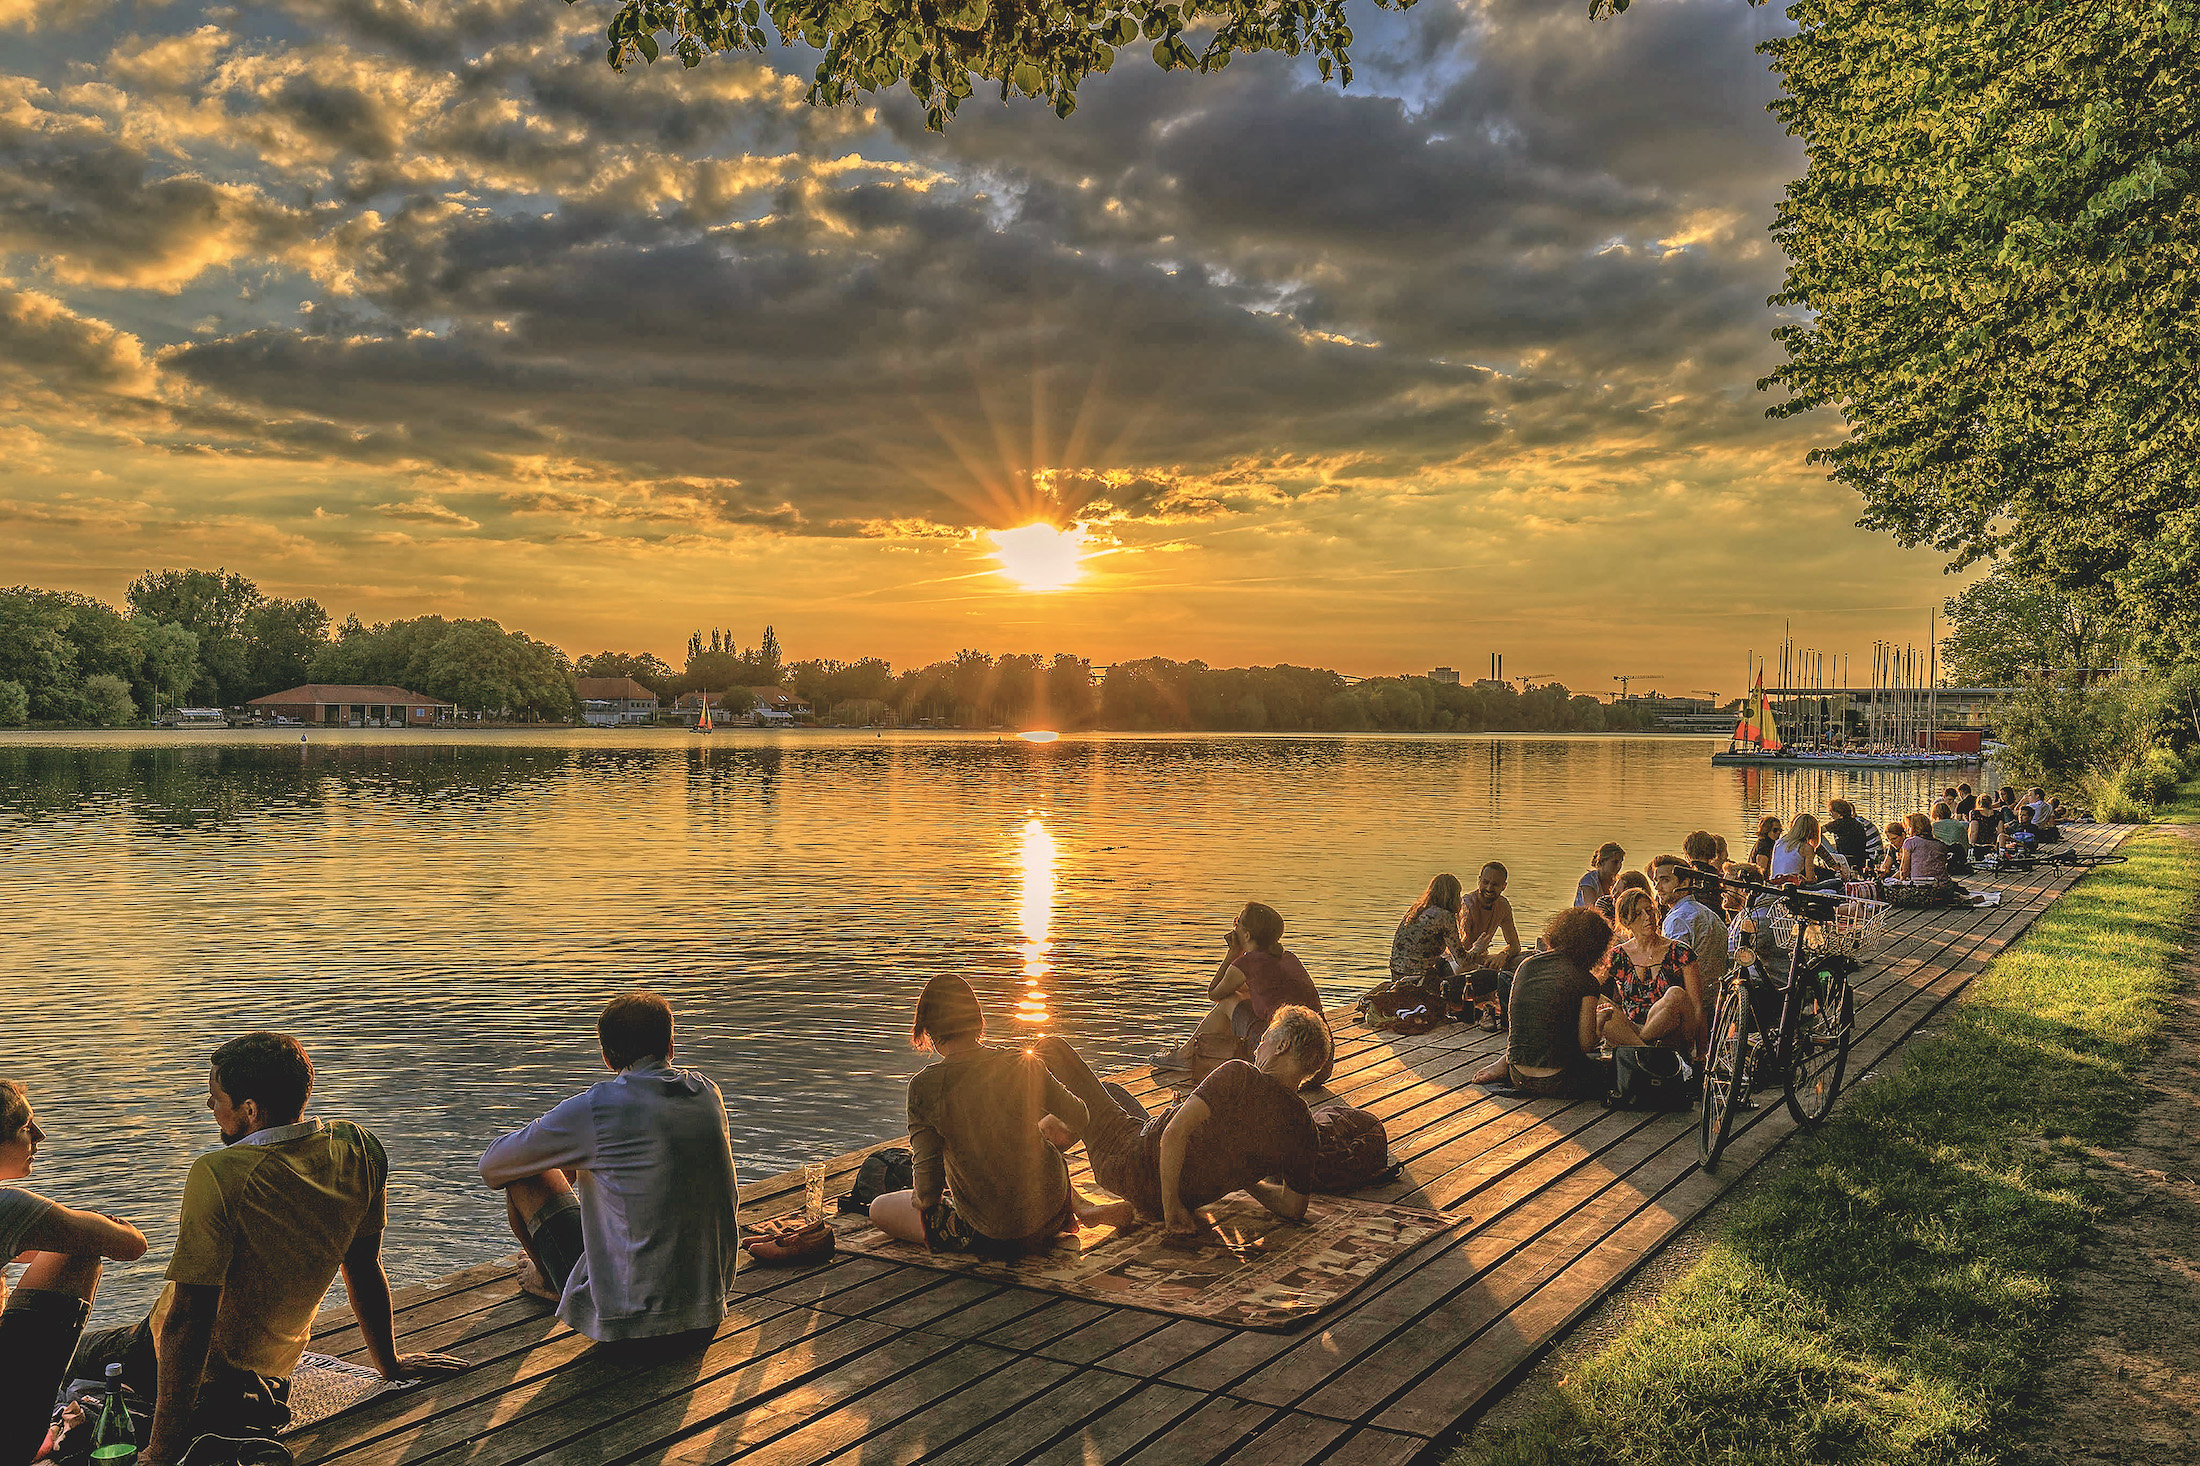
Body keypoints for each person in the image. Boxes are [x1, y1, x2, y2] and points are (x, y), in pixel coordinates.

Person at [69, 1033, 460, 1466]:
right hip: (267, 1374)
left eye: (216, 1098)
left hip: (189, 1364)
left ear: (250, 1110)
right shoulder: (358, 1147)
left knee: (66, 1361)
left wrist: (160, 1450)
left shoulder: (220, 1174)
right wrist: (389, 1363)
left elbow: (188, 1318)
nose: (209, 1107)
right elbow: (365, 1263)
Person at [479, 993, 741, 1347]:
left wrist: (571, 1158)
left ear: (606, 1056)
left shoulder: (599, 1106)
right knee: (599, 1162)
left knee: (525, 1174)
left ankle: (546, 1282)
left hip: (632, 1329)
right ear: (671, 1046)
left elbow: (492, 1167)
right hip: (705, 1315)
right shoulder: (706, 1092)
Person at [869, 976, 1131, 1255]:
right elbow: (1080, 1116)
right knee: (1034, 1142)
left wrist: (939, 1193)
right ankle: (1076, 1204)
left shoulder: (924, 1088)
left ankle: (1059, 1206)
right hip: (1051, 1212)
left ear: (928, 1030)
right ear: (979, 1021)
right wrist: (1041, 1133)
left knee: (879, 1208)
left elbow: (927, 1191)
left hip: (990, 1233)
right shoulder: (1022, 1063)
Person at [1035, 1007, 1327, 1238]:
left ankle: (1060, 1185)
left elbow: (1174, 1134)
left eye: (1264, 1041)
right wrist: (1248, 1181)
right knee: (1112, 1092)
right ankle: (1053, 1138)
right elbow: (1293, 1208)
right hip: (1168, 1179)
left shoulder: (1241, 1076)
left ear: (1282, 1046)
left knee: (1050, 1047)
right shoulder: (1303, 1127)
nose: (1255, 1049)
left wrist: (1171, 1210)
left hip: (1130, 1164)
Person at [2, 1081, 149, 1466]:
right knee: (78, 1255)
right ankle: (20, 1434)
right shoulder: (7, 1205)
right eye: (25, 1126)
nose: (40, 1135)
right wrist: (103, 1226)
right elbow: (132, 1245)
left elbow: (28, 1249)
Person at [1154, 903, 1327, 1079]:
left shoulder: (1247, 964)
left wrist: (1233, 952)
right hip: (1320, 1068)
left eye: (1237, 923)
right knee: (1242, 997)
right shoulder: (1288, 958)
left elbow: (1214, 993)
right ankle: (1197, 1054)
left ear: (1246, 934)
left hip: (1282, 1067)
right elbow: (1249, 991)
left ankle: (1184, 1056)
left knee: (1228, 1000)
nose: (1234, 927)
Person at [1469, 909, 1612, 1096]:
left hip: (1518, 1076)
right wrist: (1600, 1018)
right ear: (1596, 948)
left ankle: (1505, 1062)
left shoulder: (1527, 964)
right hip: (1560, 1079)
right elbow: (1587, 1044)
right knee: (1613, 1066)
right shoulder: (1586, 981)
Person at [1594, 888, 1705, 1057]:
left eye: (1649, 910)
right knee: (1597, 1000)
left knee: (1675, 994)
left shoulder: (1679, 951)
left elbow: (1696, 1006)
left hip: (1673, 1027)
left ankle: (1639, 1047)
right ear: (1625, 921)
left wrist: (1700, 1051)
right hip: (1632, 1028)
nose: (1647, 917)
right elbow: (1590, 985)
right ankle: (1645, 1050)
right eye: (1638, 914)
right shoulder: (1617, 955)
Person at [1649, 855, 1729, 986]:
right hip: (1717, 996)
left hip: (1689, 998)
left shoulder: (1677, 920)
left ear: (1684, 883)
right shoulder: (1710, 914)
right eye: (1655, 881)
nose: (1657, 888)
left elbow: (1673, 971)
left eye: (1665, 880)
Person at [1387, 875, 1463, 983]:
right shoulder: (1445, 916)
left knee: (1442, 962)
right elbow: (1461, 960)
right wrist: (1478, 948)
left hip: (1396, 971)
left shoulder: (1416, 909)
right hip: (1417, 976)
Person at [1457, 863, 1523, 976]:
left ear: (1504, 886)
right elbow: (1462, 954)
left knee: (1522, 961)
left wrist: (1503, 955)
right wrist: (1491, 961)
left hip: (1481, 958)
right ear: (1479, 881)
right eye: (1485, 882)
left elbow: (1515, 945)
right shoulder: (1467, 906)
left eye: (1495, 884)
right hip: (1458, 962)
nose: (1489, 888)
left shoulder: (1503, 905)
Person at [1769, 813, 1840, 891]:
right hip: (1793, 888)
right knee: (1837, 883)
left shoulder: (1779, 842)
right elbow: (1810, 880)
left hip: (1775, 885)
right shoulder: (1806, 848)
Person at [1821, 799, 1875, 873]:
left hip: (1844, 858)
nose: (1830, 815)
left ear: (1839, 813)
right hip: (1860, 858)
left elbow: (1818, 830)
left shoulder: (1838, 824)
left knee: (1818, 837)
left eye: (1831, 812)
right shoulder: (1857, 823)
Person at [1574, 843, 1625, 912]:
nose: (1619, 866)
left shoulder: (1618, 881)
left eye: (1620, 862)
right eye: (1615, 862)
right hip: (1585, 918)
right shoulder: (1588, 880)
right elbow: (1592, 909)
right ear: (1601, 862)